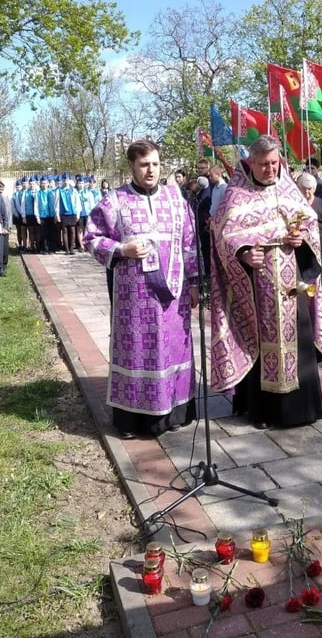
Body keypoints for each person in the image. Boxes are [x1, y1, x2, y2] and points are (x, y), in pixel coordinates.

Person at [84, 138, 199, 439]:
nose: (151, 170)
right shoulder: (115, 201)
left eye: (156, 164)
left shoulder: (178, 200)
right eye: (144, 164)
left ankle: (174, 411)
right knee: (137, 351)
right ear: (132, 166)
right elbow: (91, 238)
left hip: (174, 297)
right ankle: (132, 420)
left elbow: (189, 245)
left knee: (173, 349)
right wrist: (122, 248)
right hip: (133, 298)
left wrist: (196, 283)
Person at [210, 135, 322, 430]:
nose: (270, 169)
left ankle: (302, 409)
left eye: (274, 163)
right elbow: (223, 236)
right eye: (263, 164)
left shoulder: (289, 188)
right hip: (256, 289)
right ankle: (261, 411)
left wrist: (302, 241)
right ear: (251, 162)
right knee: (262, 343)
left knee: (296, 339)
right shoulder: (236, 194)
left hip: (291, 283)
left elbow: (310, 226)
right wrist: (245, 254)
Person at [296, 172, 322, 267]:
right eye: (304, 189)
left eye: (309, 189)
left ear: (314, 189)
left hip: (320, 244)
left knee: (319, 272)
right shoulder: (295, 204)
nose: (307, 192)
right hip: (302, 245)